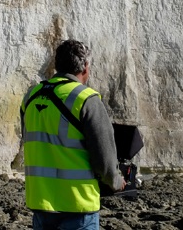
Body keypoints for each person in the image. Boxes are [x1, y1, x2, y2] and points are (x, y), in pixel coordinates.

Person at [20, 39, 125, 230]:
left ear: (56, 65)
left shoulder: (31, 97)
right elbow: (105, 161)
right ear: (85, 67)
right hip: (78, 205)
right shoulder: (87, 99)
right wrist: (117, 181)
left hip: (41, 204)